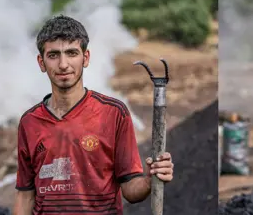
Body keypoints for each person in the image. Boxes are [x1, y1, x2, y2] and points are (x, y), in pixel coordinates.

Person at [14, 15, 174, 215]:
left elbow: (130, 189)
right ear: (41, 62)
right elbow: (25, 195)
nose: (63, 64)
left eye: (72, 53)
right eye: (53, 55)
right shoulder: (30, 122)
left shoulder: (113, 113)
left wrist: (150, 180)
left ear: (86, 58)